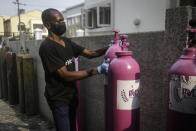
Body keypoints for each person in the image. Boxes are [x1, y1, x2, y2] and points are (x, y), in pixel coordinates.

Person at [39, 8, 109, 131]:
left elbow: (90, 53)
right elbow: (65, 75)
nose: (63, 23)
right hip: (58, 98)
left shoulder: (66, 42)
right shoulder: (47, 47)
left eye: (63, 20)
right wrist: (95, 70)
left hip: (71, 95)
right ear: (48, 25)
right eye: (59, 21)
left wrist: (109, 47)